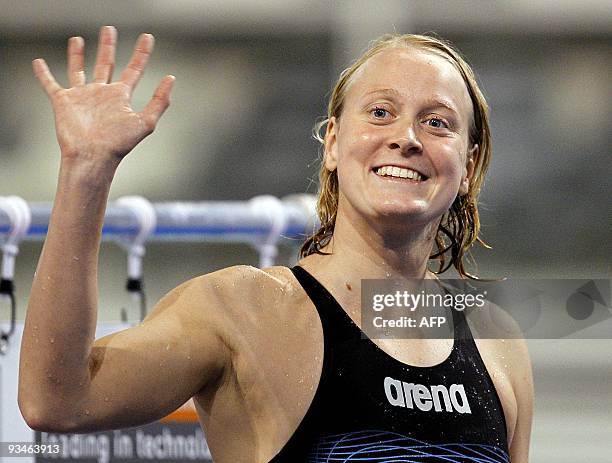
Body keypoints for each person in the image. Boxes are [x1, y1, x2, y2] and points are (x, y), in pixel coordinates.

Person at [18, 26, 533, 462]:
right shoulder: (243, 308)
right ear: (333, 143)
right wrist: (86, 171)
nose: (407, 137)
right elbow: (58, 402)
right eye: (380, 113)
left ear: (467, 166)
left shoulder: (491, 334)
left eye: (436, 122)